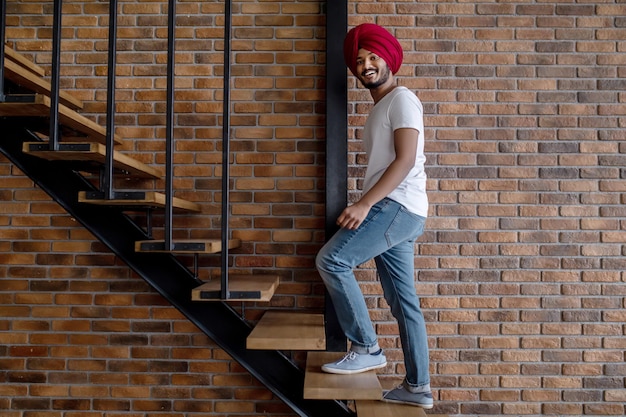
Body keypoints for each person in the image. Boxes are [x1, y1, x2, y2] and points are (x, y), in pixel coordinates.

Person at [315, 23, 432, 409]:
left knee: (332, 260)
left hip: (396, 205)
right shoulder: (382, 106)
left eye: (373, 57)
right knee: (403, 302)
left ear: (389, 59)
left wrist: (365, 203)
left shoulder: (401, 99)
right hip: (404, 209)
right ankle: (418, 388)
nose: (366, 65)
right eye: (360, 60)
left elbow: (406, 159)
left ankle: (366, 347)